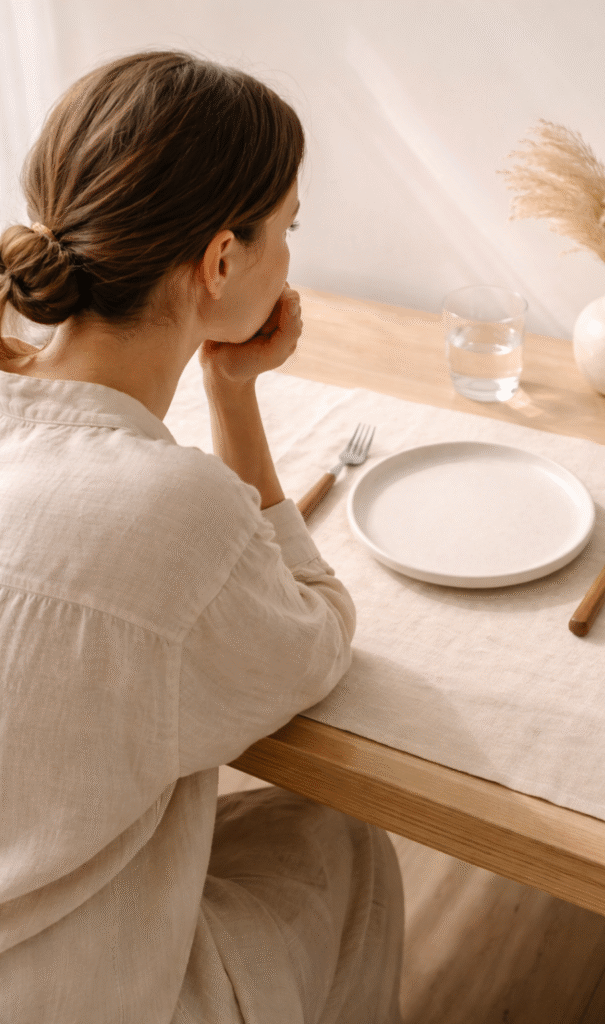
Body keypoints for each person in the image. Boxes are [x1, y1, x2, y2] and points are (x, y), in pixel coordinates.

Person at [0, 50, 404, 1023]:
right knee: (343, 843)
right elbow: (314, 634)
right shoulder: (173, 508)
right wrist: (235, 393)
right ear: (221, 262)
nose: (291, 257)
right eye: (288, 229)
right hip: (83, 997)